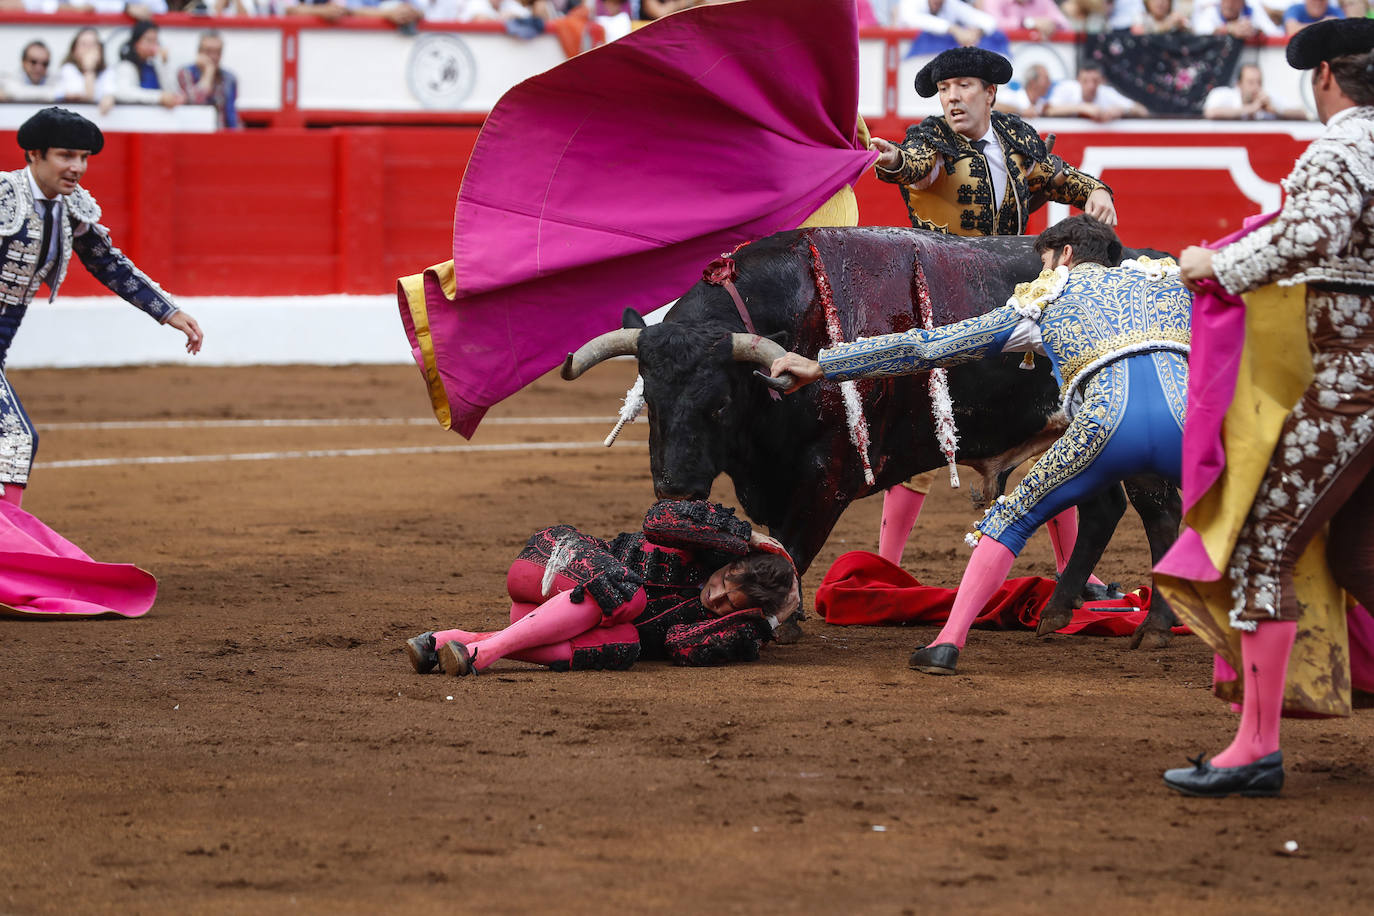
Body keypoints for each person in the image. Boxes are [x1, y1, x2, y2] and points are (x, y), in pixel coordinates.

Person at [769, 215, 1191, 676]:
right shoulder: (1165, 281)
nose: (1041, 272)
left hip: (1107, 425)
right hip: (1189, 427)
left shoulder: (1043, 299)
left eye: (1045, 261)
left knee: (1010, 520)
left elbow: (927, 348)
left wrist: (824, 365)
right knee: (1251, 510)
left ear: (1065, 255)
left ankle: (947, 644)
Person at [1168, 18, 1374, 797]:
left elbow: (1315, 230)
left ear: (1324, 76)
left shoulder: (1345, 145)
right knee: (1362, 561)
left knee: (1261, 546)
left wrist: (1219, 264)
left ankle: (1255, 746)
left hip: (1355, 384)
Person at [867, 48, 1116, 568]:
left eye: (962, 86)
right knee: (926, 431)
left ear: (989, 92)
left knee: (1053, 429)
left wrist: (1098, 192)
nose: (952, 97)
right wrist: (890, 159)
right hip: (947, 307)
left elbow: (1066, 178)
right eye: (943, 89)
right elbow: (910, 166)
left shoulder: (1018, 139)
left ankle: (1072, 575)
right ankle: (884, 569)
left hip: (1019, 307)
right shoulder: (930, 139)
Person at [0, 108, 203, 518]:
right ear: (34, 155)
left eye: (84, 157)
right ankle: (11, 553)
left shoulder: (70, 207)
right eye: (65, 155)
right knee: (14, 438)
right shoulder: (4, 196)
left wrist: (167, 311)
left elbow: (107, 263)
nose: (78, 167)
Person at [403, 500, 802, 675]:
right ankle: (483, 653)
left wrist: (768, 620)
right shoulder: (698, 543)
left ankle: (452, 643)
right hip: (548, 562)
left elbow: (683, 647)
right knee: (629, 593)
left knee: (626, 644)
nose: (715, 597)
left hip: (537, 619)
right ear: (732, 562)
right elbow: (658, 517)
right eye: (726, 581)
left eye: (730, 605)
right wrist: (745, 535)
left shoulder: (718, 623)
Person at [176, 30, 239, 130]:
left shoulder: (229, 78)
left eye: (218, 52)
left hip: (221, 135)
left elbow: (231, 115)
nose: (214, 56)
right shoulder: (186, 73)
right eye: (209, 51)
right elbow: (195, 102)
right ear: (199, 52)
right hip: (193, 133)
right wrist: (208, 73)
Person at [1202, 62, 1309, 118]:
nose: (1256, 87)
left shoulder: (1267, 99)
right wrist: (1251, 108)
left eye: (1259, 82)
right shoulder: (1224, 94)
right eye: (1250, 82)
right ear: (1238, 84)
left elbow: (1302, 114)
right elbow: (1211, 112)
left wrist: (1276, 111)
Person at [1045, 63, 1149, 121]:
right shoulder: (1066, 88)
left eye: (1095, 81)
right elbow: (1048, 110)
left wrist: (1121, 110)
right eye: (1086, 81)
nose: (1091, 86)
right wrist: (1082, 107)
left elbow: (1142, 111)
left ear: (1101, 81)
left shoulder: (1107, 93)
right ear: (1078, 81)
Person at [113, 21, 182, 108]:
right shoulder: (126, 66)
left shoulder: (155, 66)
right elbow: (123, 93)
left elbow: (173, 92)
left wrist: (164, 63)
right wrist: (158, 97)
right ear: (136, 43)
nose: (153, 45)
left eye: (155, 41)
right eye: (149, 40)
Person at [895, 0, 1002, 48]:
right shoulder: (910, 3)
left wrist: (978, 32)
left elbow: (989, 21)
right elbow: (913, 19)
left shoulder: (951, 3)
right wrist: (954, 30)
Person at [57, 28, 115, 116]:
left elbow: (109, 95)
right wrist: (89, 69)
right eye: (84, 44)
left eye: (93, 44)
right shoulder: (67, 69)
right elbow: (88, 97)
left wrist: (109, 97)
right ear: (74, 50)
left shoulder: (108, 72)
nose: (89, 49)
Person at [1194, 0, 1285, 37]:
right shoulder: (1212, 10)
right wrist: (1229, 29)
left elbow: (1275, 33)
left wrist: (1255, 31)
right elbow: (1199, 31)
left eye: (1234, 1)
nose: (1229, 5)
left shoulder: (1252, 9)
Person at [984, 0, 1072, 35]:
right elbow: (992, 24)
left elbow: (1065, 24)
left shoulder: (1043, 1)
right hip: (1002, 57)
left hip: (1038, 57)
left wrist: (1052, 24)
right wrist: (1027, 23)